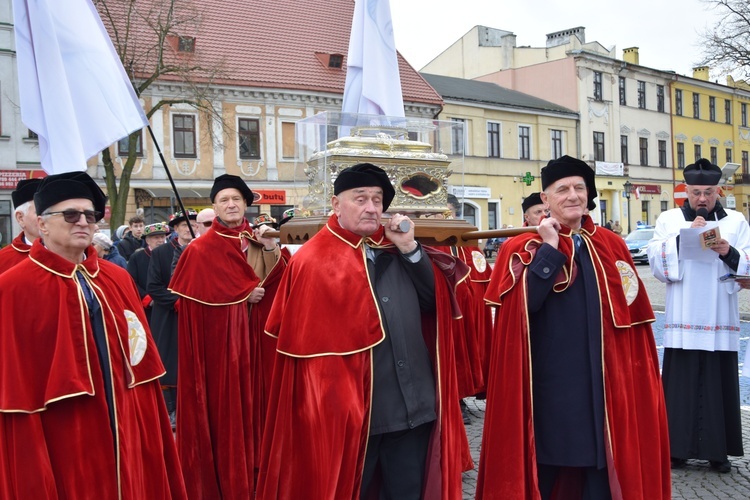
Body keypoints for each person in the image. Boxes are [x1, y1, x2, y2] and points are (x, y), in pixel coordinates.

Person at [257, 163, 471, 499]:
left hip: (413, 409)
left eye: (377, 199)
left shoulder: (397, 247)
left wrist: (410, 250)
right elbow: (304, 359)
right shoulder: (312, 261)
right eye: (360, 199)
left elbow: (436, 305)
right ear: (336, 203)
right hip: (354, 419)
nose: (371, 207)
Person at [477, 155, 670, 499]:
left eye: (579, 188)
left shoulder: (612, 244)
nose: (572, 196)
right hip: (550, 384)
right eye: (562, 189)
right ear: (546, 199)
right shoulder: (522, 247)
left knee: (601, 470)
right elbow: (521, 308)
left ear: (589, 194)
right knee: (549, 465)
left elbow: (632, 320)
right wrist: (550, 250)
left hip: (605, 384)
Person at [0, 171, 186, 498]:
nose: (83, 222)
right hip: (65, 433)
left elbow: (139, 362)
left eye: (90, 215)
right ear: (42, 224)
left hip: (126, 421)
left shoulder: (117, 277)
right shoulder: (13, 288)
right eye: (70, 215)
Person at [169, 174, 281, 498]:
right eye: (224, 200)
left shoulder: (261, 241)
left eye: (236, 199)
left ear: (245, 204)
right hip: (222, 359)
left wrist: (273, 249)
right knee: (227, 426)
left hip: (261, 349)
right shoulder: (200, 251)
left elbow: (282, 287)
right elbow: (192, 314)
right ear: (214, 207)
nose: (231, 205)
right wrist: (239, 298)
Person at [647, 158, 750, 473]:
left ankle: (718, 452)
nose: (702, 198)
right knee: (681, 384)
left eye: (708, 192)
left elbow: (746, 261)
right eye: (695, 192)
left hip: (720, 314)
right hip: (684, 314)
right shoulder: (669, 218)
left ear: (718, 191)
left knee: (719, 382)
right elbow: (655, 259)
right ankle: (676, 450)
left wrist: (727, 252)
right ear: (685, 192)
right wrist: (682, 238)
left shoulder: (736, 221)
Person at [148, 209, 198, 429]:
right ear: (176, 229)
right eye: (184, 225)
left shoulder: (201, 250)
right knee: (171, 363)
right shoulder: (161, 253)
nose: (189, 228)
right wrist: (176, 300)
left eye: (193, 225)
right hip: (169, 317)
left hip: (195, 314)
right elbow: (154, 286)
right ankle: (172, 410)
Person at [128, 222, 169, 325]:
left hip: (167, 305)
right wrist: (148, 298)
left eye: (162, 237)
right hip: (147, 308)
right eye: (156, 237)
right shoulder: (137, 257)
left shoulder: (171, 254)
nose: (160, 240)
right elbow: (131, 282)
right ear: (147, 240)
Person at [0, 178, 42, 273]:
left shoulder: (73, 253)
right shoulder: (3, 261)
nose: (47, 218)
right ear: (20, 218)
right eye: (40, 212)